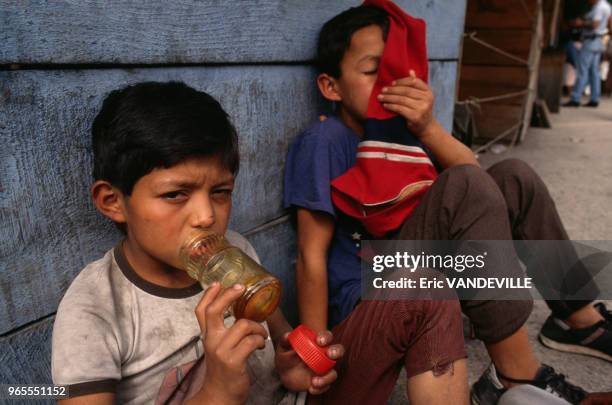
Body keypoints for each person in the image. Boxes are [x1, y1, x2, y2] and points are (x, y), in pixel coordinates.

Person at [283, 4, 612, 405]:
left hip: (422, 260)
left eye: (396, 71)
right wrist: (319, 357)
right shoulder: (326, 141)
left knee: (512, 177)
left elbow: (481, 188)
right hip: (371, 291)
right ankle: (514, 373)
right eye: (373, 72)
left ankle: (577, 318)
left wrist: (427, 126)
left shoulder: (401, 130)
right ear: (331, 87)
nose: (388, 84)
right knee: (466, 186)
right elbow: (309, 254)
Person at [51, 82, 344, 405]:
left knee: (399, 304)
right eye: (175, 194)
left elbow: (281, 338)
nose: (206, 217)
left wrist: (290, 366)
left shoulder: (235, 250)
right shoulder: (94, 309)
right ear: (113, 201)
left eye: (220, 192)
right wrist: (215, 395)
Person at [564, 0, 612, 107]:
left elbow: (595, 24)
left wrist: (580, 23)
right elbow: (610, 24)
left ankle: (575, 98)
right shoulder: (606, 6)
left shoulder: (599, 7)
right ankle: (595, 98)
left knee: (582, 69)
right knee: (594, 71)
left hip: (591, 41)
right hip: (598, 41)